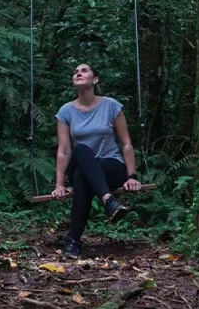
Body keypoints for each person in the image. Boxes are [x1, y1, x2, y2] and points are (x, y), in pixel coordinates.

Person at [50, 63, 140, 257]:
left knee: (82, 176)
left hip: (110, 166)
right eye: (75, 72)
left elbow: (125, 143)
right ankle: (109, 200)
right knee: (81, 150)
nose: (78, 73)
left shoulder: (111, 106)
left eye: (83, 70)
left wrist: (132, 176)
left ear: (95, 79)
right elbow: (64, 150)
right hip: (82, 161)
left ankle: (72, 242)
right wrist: (59, 184)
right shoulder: (65, 111)